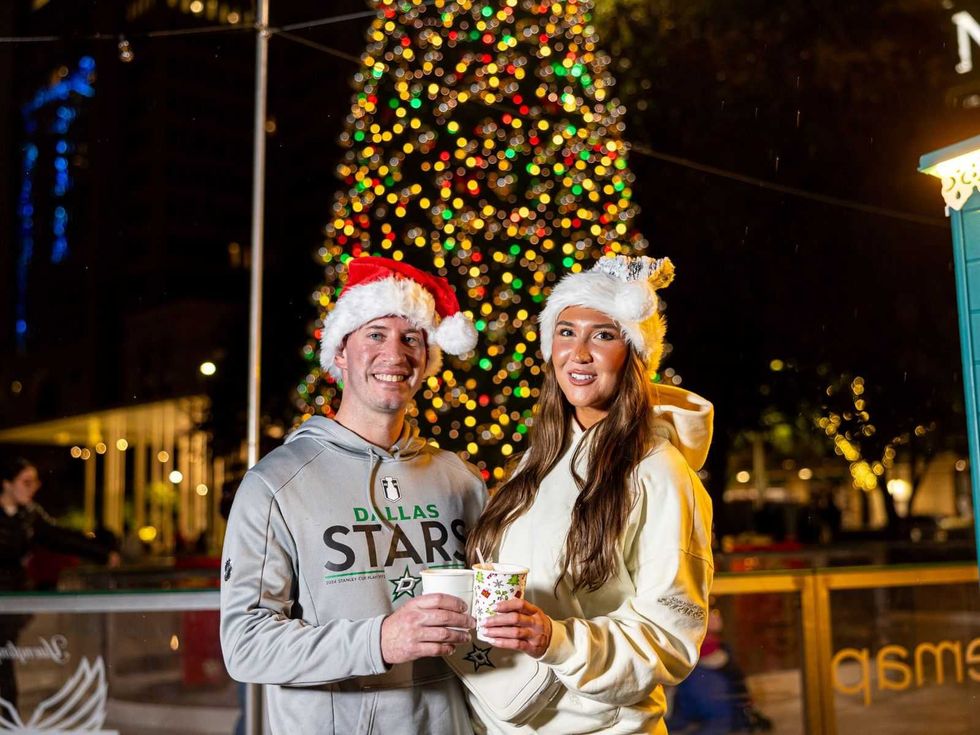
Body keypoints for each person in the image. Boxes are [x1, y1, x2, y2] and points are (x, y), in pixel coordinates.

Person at [220, 257, 487, 735]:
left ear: (428, 358)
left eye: (412, 338)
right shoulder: (275, 484)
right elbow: (245, 645)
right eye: (376, 335)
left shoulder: (461, 480)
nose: (396, 354)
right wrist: (379, 640)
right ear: (340, 353)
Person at [466, 255, 715, 734]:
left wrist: (556, 641)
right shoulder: (536, 461)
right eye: (566, 332)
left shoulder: (659, 471)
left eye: (602, 334)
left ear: (635, 354)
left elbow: (669, 639)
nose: (578, 352)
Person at [0, 457, 120, 707]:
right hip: (8, 600)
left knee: (4, 662)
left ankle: (8, 720)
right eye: (26, 482)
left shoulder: (29, 516)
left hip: (11, 604)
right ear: (7, 484)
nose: (34, 487)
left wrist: (102, 553)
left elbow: (59, 537)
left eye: (36, 481)